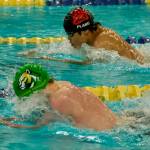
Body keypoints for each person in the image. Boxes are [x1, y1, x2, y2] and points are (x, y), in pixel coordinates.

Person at [0, 64, 117, 131]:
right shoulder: (62, 84)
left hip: (107, 134)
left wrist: (5, 122)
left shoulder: (58, 101)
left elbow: (35, 127)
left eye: (28, 97)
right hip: (116, 122)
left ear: (36, 90)